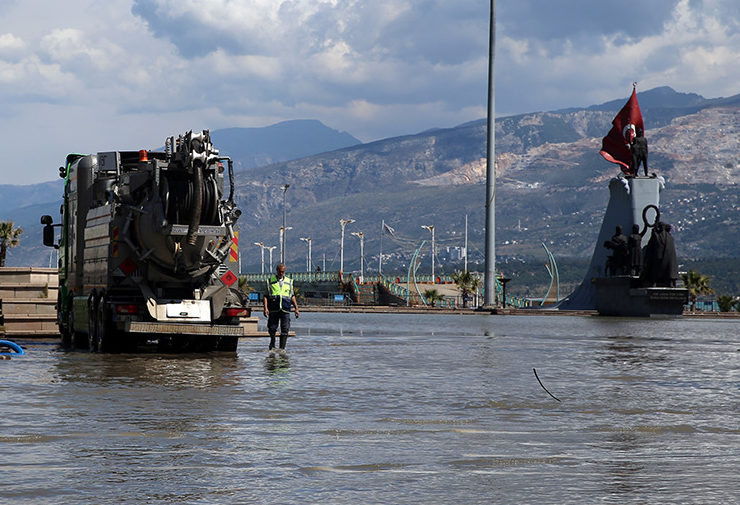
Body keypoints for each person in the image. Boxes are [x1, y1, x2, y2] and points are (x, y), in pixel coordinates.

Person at [263, 263, 299, 350]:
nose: (281, 273)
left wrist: (296, 309)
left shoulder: (289, 281)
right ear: (277, 270)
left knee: (285, 329)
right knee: (272, 328)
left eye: (283, 272)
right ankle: (272, 343)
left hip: (285, 309)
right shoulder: (270, 281)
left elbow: (292, 296)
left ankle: (282, 348)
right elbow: (265, 296)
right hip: (274, 309)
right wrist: (265, 308)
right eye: (280, 271)